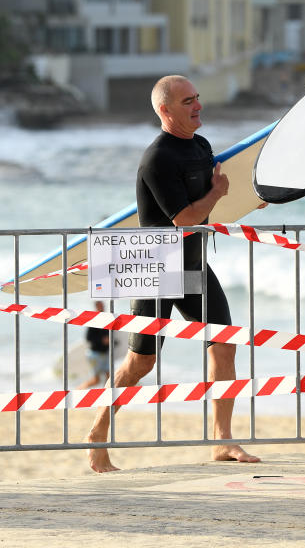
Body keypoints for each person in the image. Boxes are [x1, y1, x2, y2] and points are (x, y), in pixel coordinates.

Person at [86, 75, 260, 471]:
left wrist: (248, 200)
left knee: (224, 344)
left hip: (193, 264)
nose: (198, 105)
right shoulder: (157, 158)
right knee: (140, 364)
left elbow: (211, 203)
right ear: (165, 110)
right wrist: (218, 194)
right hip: (156, 267)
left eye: (198, 98)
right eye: (187, 101)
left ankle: (222, 440)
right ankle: (98, 431)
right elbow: (185, 217)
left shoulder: (200, 146)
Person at [77, 301, 114, 390]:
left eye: (103, 306)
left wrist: (111, 341)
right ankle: (78, 390)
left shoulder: (106, 319)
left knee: (109, 378)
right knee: (96, 380)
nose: (103, 307)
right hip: (95, 354)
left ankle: (105, 397)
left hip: (105, 353)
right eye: (101, 306)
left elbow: (108, 335)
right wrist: (102, 340)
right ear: (96, 307)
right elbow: (88, 338)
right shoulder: (93, 319)